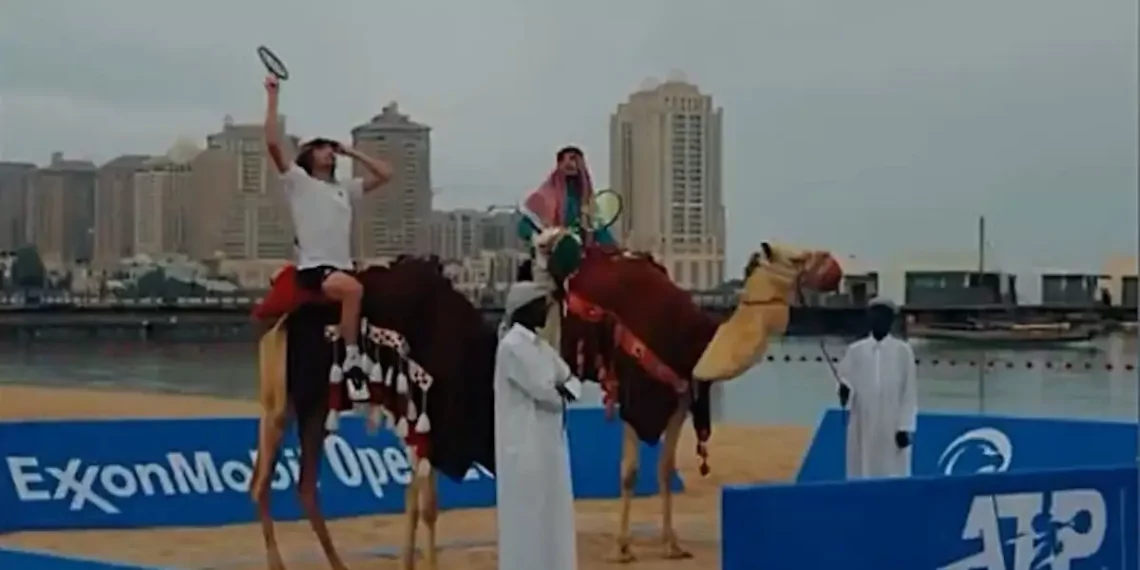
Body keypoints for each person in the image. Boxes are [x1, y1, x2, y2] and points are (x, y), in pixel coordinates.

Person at [263, 74, 393, 389]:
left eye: (330, 148)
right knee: (353, 291)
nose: (328, 153)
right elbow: (272, 143)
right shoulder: (299, 182)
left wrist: (352, 152)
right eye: (321, 147)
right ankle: (351, 358)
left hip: (343, 267)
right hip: (315, 269)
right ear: (309, 154)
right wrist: (273, 96)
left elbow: (386, 174)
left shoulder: (344, 188)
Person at [493, 280, 582, 570]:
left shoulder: (540, 346)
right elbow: (547, 391)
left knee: (553, 520)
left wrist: (562, 388)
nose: (546, 312)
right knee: (526, 523)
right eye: (541, 306)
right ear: (526, 309)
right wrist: (560, 389)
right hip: (524, 450)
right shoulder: (512, 347)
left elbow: (571, 382)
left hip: (548, 447)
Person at [837, 298, 917, 479]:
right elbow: (846, 381)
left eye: (884, 316)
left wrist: (905, 427)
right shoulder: (855, 350)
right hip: (863, 422)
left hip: (892, 423)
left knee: (894, 471)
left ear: (891, 320)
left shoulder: (903, 351)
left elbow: (909, 393)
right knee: (862, 468)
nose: (879, 320)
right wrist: (844, 391)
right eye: (876, 316)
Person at [518, 146, 615, 248]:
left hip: (581, 252)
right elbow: (524, 225)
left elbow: (599, 229)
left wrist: (612, 247)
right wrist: (537, 238)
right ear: (560, 163)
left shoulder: (585, 200)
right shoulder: (544, 196)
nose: (574, 164)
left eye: (577, 161)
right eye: (571, 158)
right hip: (552, 251)